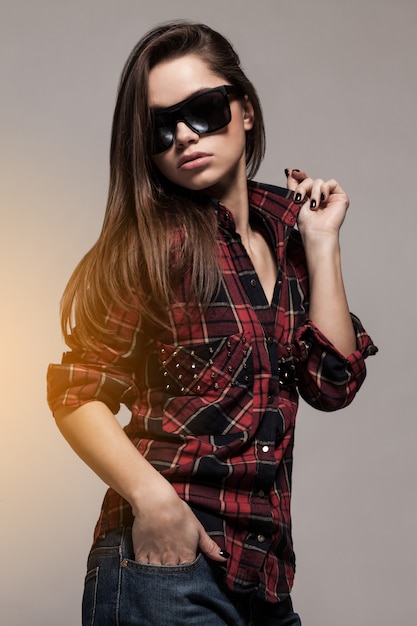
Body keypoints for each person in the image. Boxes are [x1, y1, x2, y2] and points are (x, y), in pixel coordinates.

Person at [47, 20, 377, 626]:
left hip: (266, 577)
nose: (183, 136)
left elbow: (332, 383)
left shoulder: (289, 228)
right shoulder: (149, 246)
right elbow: (76, 393)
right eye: (159, 127)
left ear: (245, 109)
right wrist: (154, 501)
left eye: (202, 110)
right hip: (167, 568)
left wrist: (322, 244)